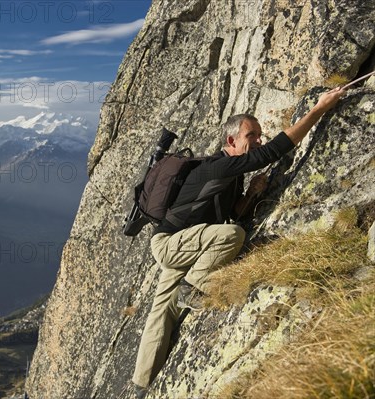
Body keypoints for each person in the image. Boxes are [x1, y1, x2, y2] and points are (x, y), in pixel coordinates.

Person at [131, 87, 347, 396]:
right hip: (171, 245)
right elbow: (273, 152)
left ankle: (142, 384)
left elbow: (231, 214)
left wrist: (251, 195)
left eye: (259, 134)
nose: (259, 139)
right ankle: (192, 289)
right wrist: (318, 110)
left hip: (186, 244)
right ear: (232, 141)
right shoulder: (218, 166)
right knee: (233, 236)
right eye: (253, 135)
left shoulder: (229, 177)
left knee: (162, 310)